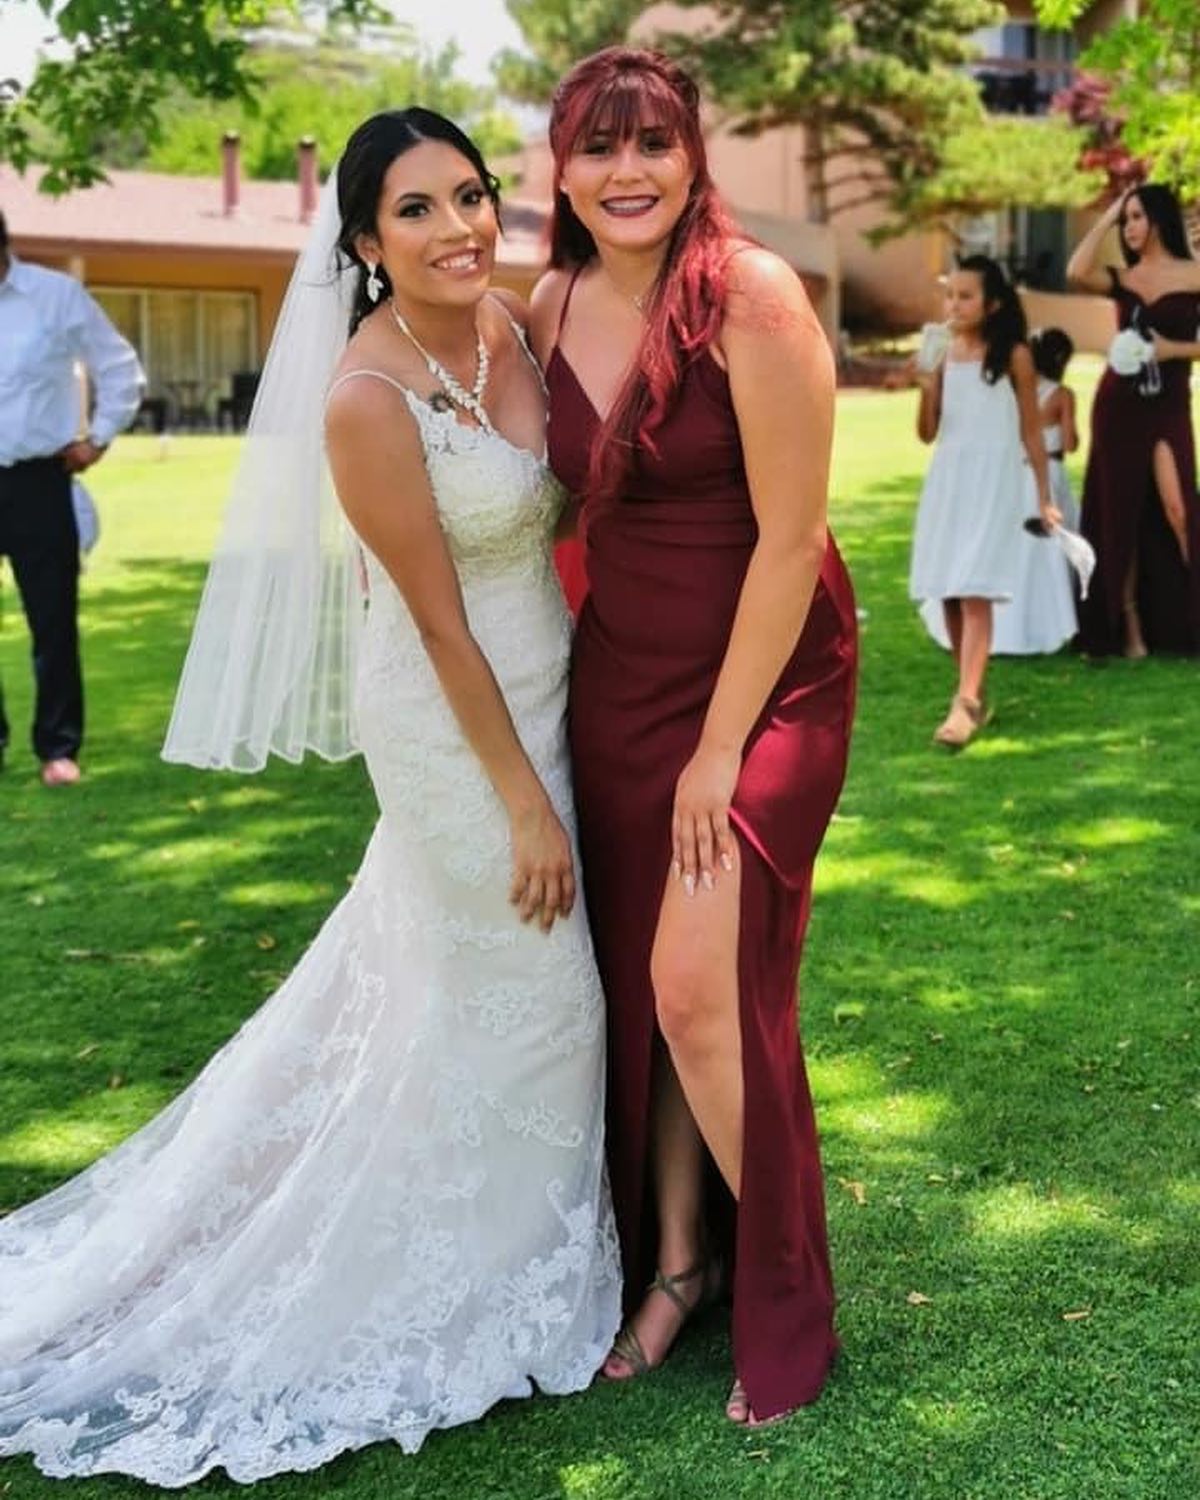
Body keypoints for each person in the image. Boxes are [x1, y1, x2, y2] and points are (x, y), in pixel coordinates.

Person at [0, 110, 619, 1485]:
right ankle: (487, 1291)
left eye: (472, 194)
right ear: (360, 241)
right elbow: (441, 625)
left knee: (458, 996)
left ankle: (511, 1244)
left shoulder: (510, 326)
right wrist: (519, 800)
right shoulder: (362, 397)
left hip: (553, 686)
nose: (461, 225)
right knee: (542, 990)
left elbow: (553, 514)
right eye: (418, 210)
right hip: (457, 726)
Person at [530, 48, 858, 1426]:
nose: (627, 172)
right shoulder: (544, 302)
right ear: (558, 167)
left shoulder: (751, 295)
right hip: (620, 679)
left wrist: (721, 755)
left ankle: (794, 1302)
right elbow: (530, 500)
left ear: (692, 157)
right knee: (645, 997)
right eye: (597, 147)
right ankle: (677, 1267)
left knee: (704, 988)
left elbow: (791, 543)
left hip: (769, 677)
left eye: (652, 143)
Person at [0, 208, 143, 783]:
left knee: (53, 621)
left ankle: (59, 748)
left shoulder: (54, 297)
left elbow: (119, 367)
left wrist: (99, 437)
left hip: (39, 480)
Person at [909, 256, 1060, 746]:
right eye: (950, 295)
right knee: (950, 588)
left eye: (966, 295)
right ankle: (969, 686)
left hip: (994, 480)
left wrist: (1044, 496)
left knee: (975, 587)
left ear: (992, 304)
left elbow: (1033, 433)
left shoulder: (1014, 354)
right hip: (949, 479)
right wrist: (927, 384)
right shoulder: (943, 354)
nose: (955, 304)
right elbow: (927, 434)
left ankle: (966, 703)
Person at [1066, 185, 1200, 657]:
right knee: (1118, 514)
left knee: (1180, 509)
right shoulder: (1124, 276)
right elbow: (1076, 270)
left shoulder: (1194, 272)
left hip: (1169, 406)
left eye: (1139, 217)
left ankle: (1190, 620)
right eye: (1128, 221)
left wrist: (1171, 351)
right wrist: (1108, 216)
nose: (1132, 228)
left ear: (1160, 219)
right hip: (1119, 406)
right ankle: (1130, 626)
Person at [918, 325, 1079, 656]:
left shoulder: (1016, 375)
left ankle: (989, 650)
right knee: (1041, 552)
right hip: (1040, 469)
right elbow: (1070, 441)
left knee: (1011, 549)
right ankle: (1039, 620)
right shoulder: (1061, 395)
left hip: (1015, 471)